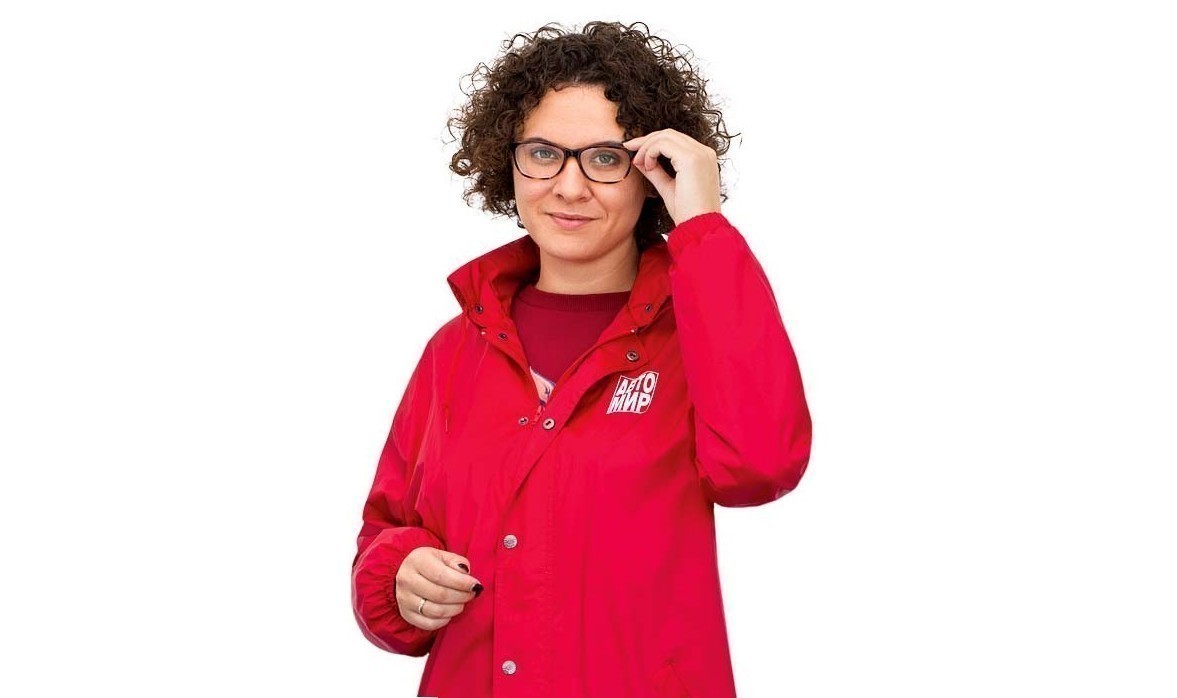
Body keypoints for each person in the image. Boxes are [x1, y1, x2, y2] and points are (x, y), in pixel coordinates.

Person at [351, 20, 812, 697]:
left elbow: (760, 465)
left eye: (604, 159)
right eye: (543, 153)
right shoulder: (455, 350)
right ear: (507, 161)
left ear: (652, 173)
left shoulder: (700, 337)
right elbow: (387, 530)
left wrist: (704, 228)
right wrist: (400, 572)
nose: (568, 187)